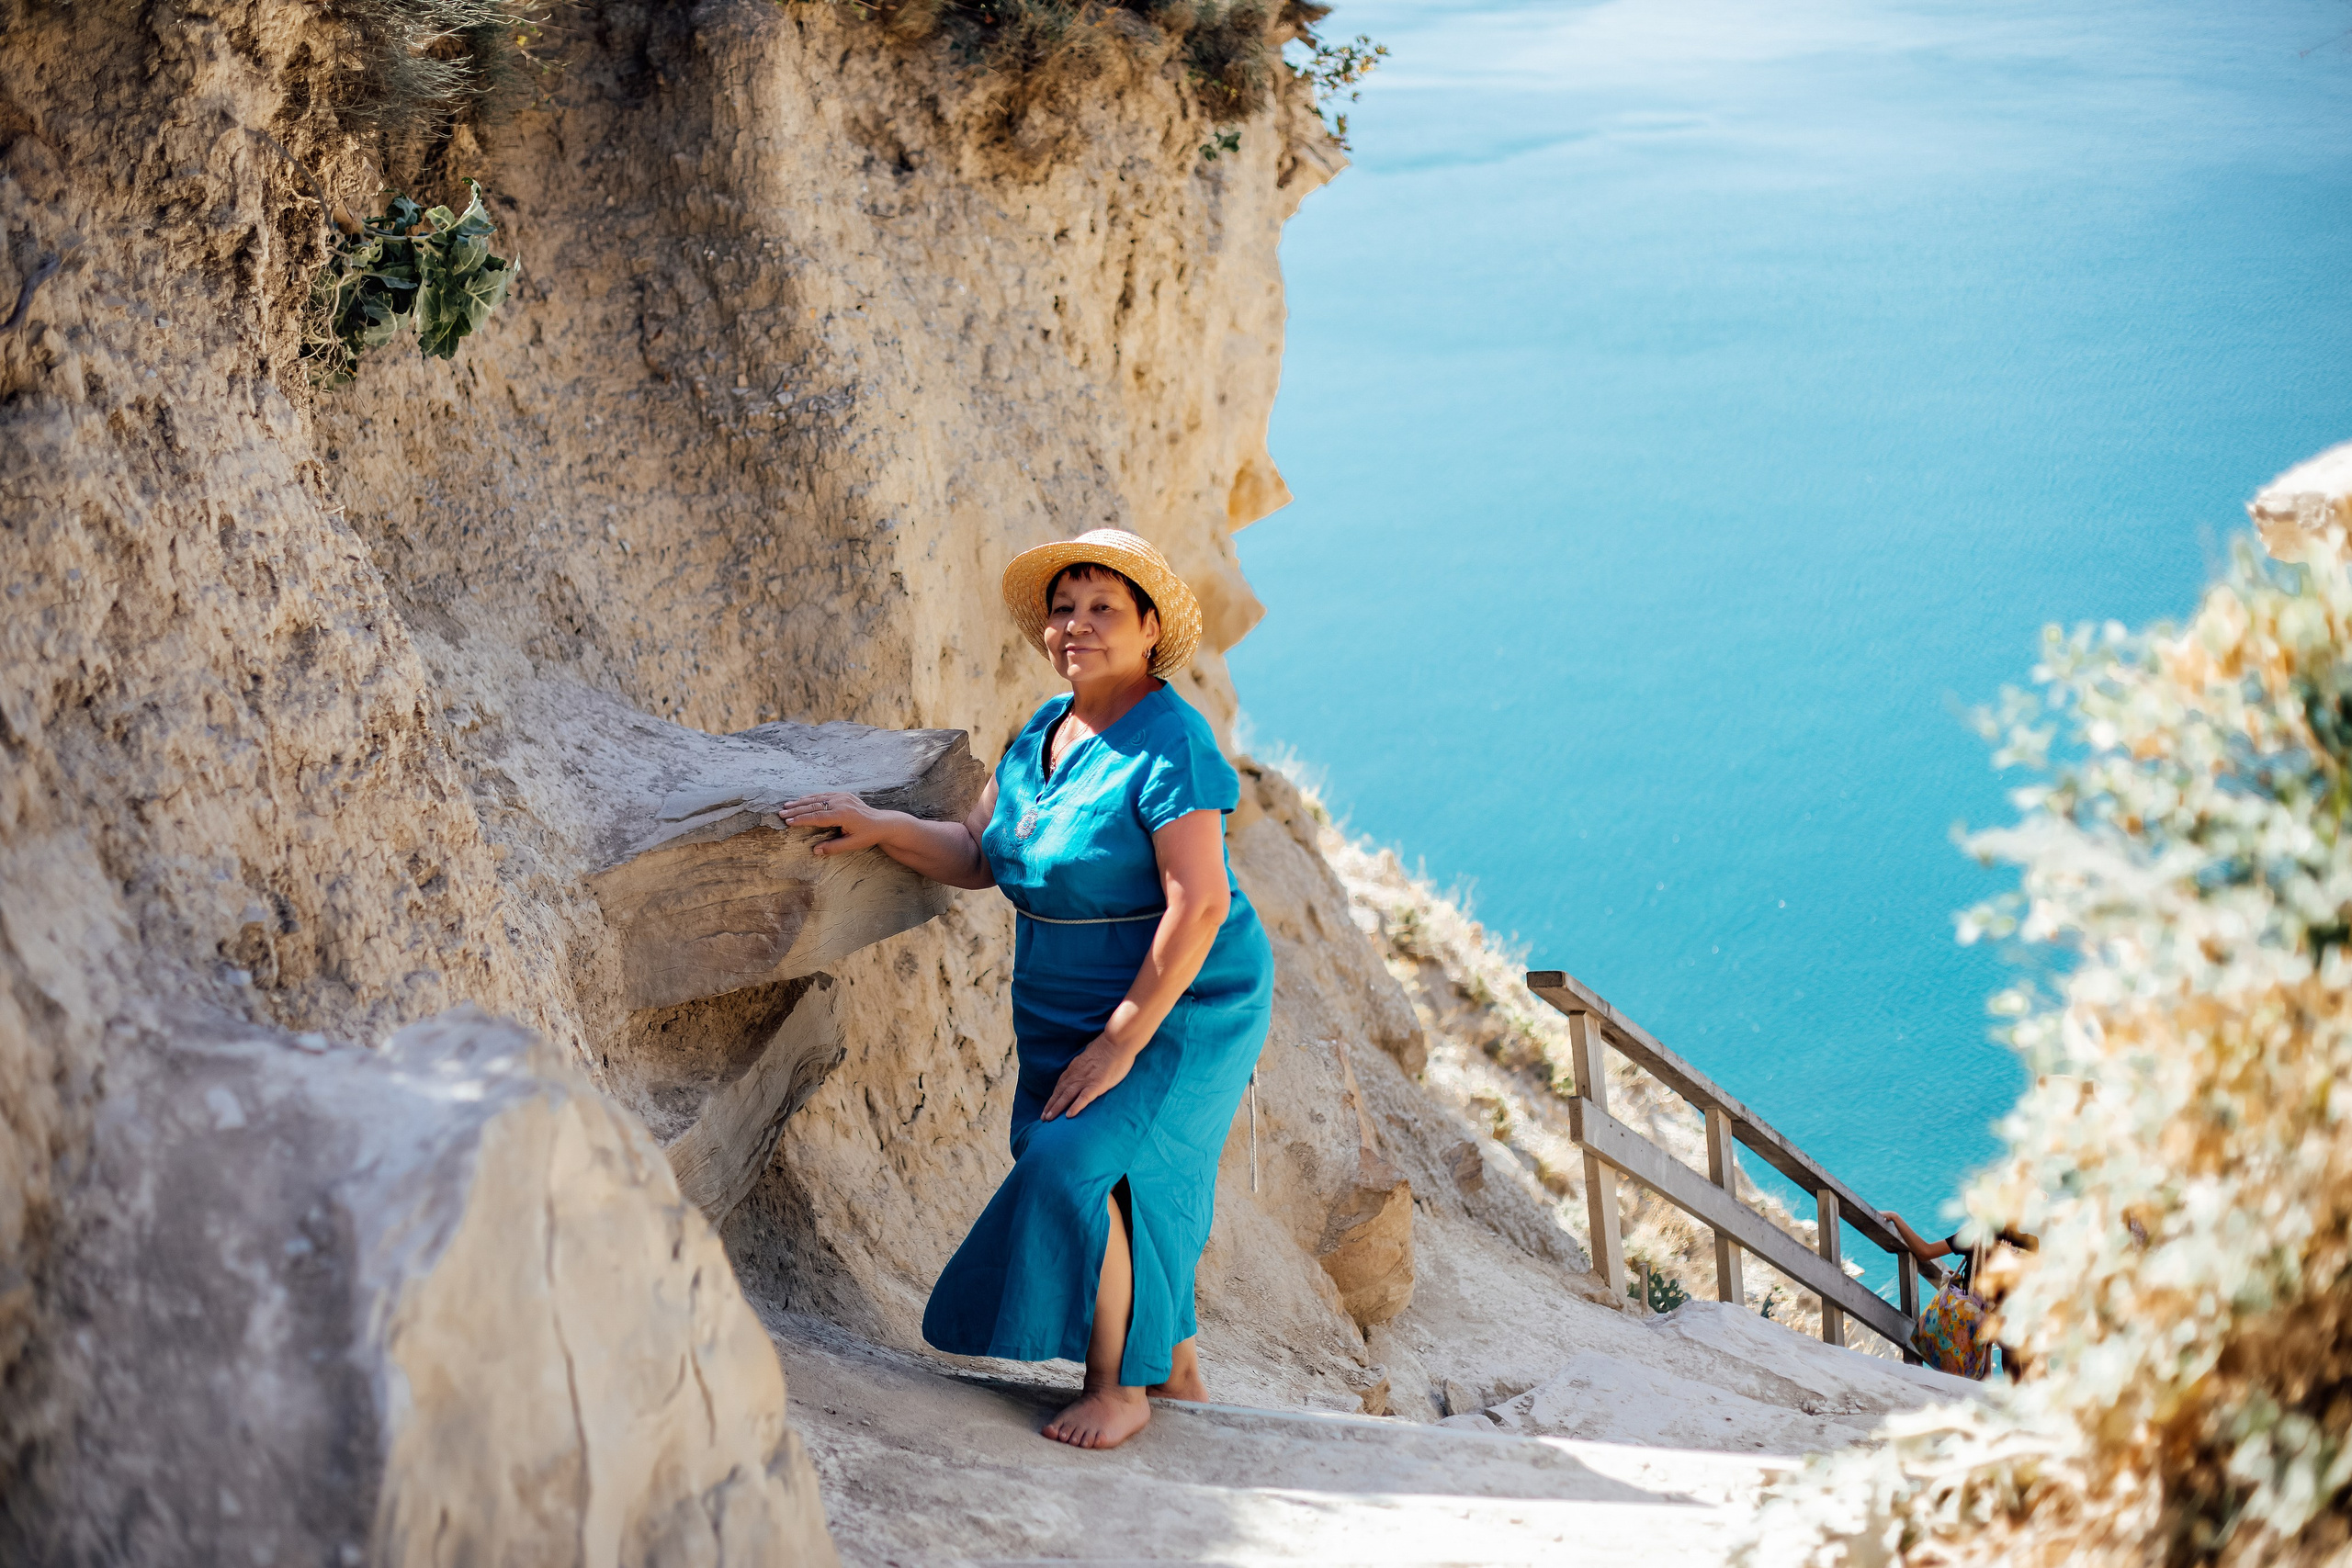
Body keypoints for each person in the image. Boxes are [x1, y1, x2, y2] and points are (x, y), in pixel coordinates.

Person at [777, 528, 1273, 1451]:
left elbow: (1200, 904)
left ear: (1149, 627)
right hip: (1060, 994)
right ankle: (1175, 1366)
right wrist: (880, 824)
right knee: (1117, 1172)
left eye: (1102, 610)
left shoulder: (1172, 740)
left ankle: (1119, 1389)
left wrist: (1120, 1039)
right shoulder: (1043, 729)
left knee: (1076, 1163)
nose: (1075, 626)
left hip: (1179, 999)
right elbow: (978, 857)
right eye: (1062, 608)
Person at [1883, 1210, 2041, 1379]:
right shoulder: (2031, 1244)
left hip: (1976, 1317)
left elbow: (1925, 1251)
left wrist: (1895, 1217)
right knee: (2016, 1371)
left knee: (1979, 1374)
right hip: (2010, 1318)